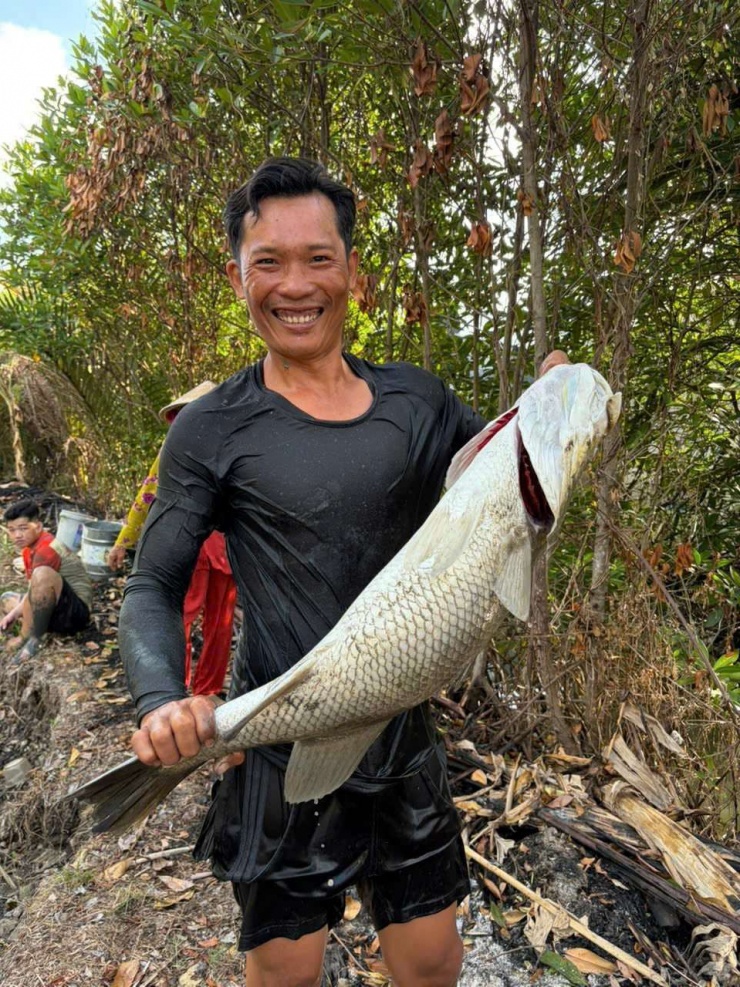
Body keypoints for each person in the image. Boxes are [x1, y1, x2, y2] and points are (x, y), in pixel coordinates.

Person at [119, 157, 569, 987]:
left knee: (432, 959)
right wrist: (160, 699)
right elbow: (152, 584)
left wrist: (552, 406)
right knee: (286, 970)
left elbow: (504, 478)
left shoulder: (417, 403)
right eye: (271, 263)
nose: (297, 284)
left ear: (352, 272)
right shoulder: (212, 428)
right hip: (284, 740)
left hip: (400, 734)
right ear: (238, 276)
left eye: (319, 258)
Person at [108, 382, 237, 697]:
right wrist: (123, 541)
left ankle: (196, 690)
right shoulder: (183, 448)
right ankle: (185, 688)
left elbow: (147, 494)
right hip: (199, 546)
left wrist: (124, 541)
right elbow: (149, 493)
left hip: (212, 545)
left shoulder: (233, 446)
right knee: (190, 617)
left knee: (209, 619)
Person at [1, 498, 92, 663]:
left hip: (74, 615)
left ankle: (34, 638)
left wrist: (22, 637)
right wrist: (13, 614)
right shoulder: (29, 550)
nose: (17, 535)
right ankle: (31, 629)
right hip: (53, 606)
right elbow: (33, 592)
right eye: (12, 530)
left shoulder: (46, 549)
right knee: (6, 599)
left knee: (42, 573)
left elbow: (40, 584)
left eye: (23, 528)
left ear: (38, 527)